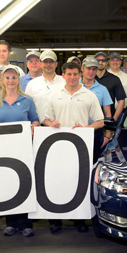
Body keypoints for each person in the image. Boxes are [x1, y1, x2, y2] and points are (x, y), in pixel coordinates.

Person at [43, 62, 104, 233]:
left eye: (75, 74)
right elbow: (46, 119)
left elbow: (100, 121)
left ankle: (79, 220)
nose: (72, 77)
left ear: (80, 74)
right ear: (63, 76)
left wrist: (87, 129)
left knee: (79, 181)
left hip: (80, 146)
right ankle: (55, 220)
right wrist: (51, 123)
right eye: (68, 74)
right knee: (58, 181)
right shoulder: (54, 95)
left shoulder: (89, 95)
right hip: (59, 147)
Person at [0, 66, 40, 237]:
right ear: (2, 80)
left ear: (18, 80)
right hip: (3, 151)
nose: (11, 81)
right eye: (7, 77)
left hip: (23, 149)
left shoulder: (27, 100)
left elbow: (36, 121)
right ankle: (11, 223)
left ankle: (25, 223)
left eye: (14, 77)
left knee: (25, 184)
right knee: (8, 185)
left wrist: (33, 126)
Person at [81, 57, 114, 152]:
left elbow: (108, 115)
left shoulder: (103, 89)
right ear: (82, 69)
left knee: (94, 160)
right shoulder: (74, 86)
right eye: (88, 68)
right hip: (76, 129)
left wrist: (107, 136)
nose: (91, 71)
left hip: (95, 131)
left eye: (94, 69)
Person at [25, 50, 65, 122]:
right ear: (40, 64)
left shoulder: (64, 82)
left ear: (56, 64)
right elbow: (27, 108)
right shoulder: (32, 84)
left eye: (51, 61)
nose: (48, 65)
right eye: (45, 62)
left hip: (61, 126)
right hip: (39, 127)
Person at [94, 52, 127, 122]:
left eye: (103, 60)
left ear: (106, 63)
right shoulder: (89, 78)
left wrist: (113, 119)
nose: (100, 62)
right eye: (98, 60)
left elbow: (121, 101)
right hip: (90, 121)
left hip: (107, 120)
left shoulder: (114, 79)